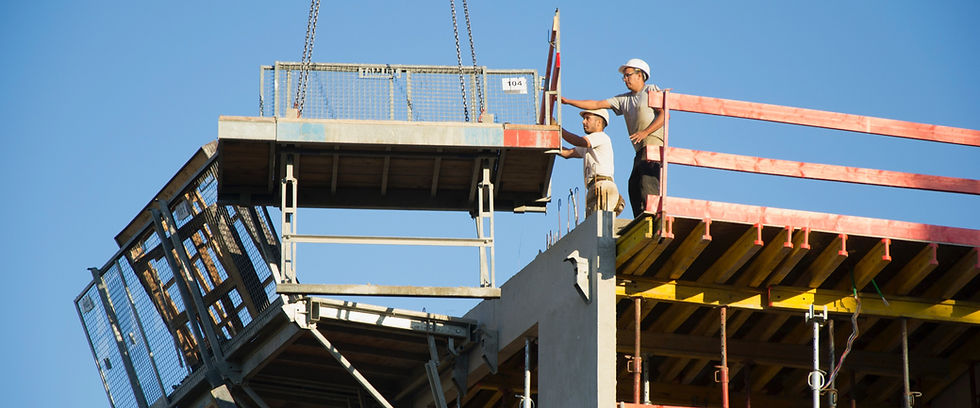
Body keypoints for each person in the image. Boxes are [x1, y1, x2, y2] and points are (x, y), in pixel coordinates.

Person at [561, 58, 664, 217]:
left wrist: (646, 132)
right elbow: (596, 104)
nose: (625, 79)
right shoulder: (625, 99)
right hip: (640, 149)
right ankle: (640, 217)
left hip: (652, 145)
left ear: (641, 75)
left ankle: (651, 215)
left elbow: (665, 114)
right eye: (624, 76)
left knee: (646, 180)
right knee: (633, 184)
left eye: (628, 75)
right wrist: (568, 101)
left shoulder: (651, 90)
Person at [558, 108, 624, 216]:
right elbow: (567, 153)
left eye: (587, 118)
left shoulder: (601, 137)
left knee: (599, 225)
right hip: (596, 186)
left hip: (602, 185)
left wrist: (559, 130)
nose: (583, 121)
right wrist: (549, 143)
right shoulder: (590, 144)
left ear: (599, 122)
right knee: (595, 226)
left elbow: (578, 141)